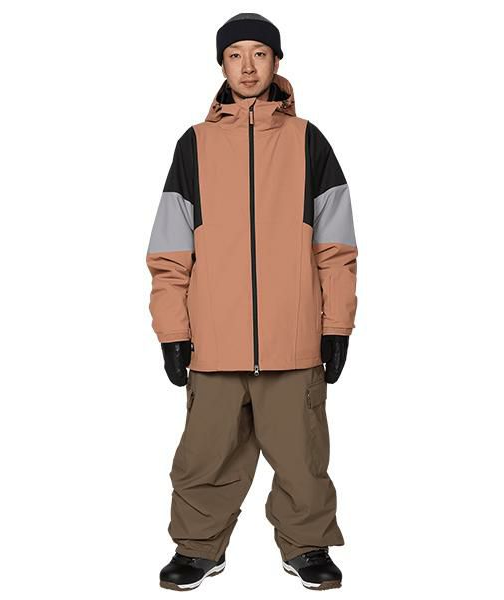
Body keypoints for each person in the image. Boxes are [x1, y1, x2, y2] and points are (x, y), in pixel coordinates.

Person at [145, 12, 358, 591]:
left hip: (293, 340)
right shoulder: (194, 145)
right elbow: (170, 251)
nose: (247, 66)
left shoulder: (308, 141)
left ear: (276, 62)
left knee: (302, 459)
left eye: (259, 54)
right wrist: (172, 332)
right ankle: (197, 548)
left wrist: (336, 326)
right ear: (221, 64)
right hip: (215, 342)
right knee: (204, 456)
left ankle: (307, 546)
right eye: (235, 54)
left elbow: (337, 249)